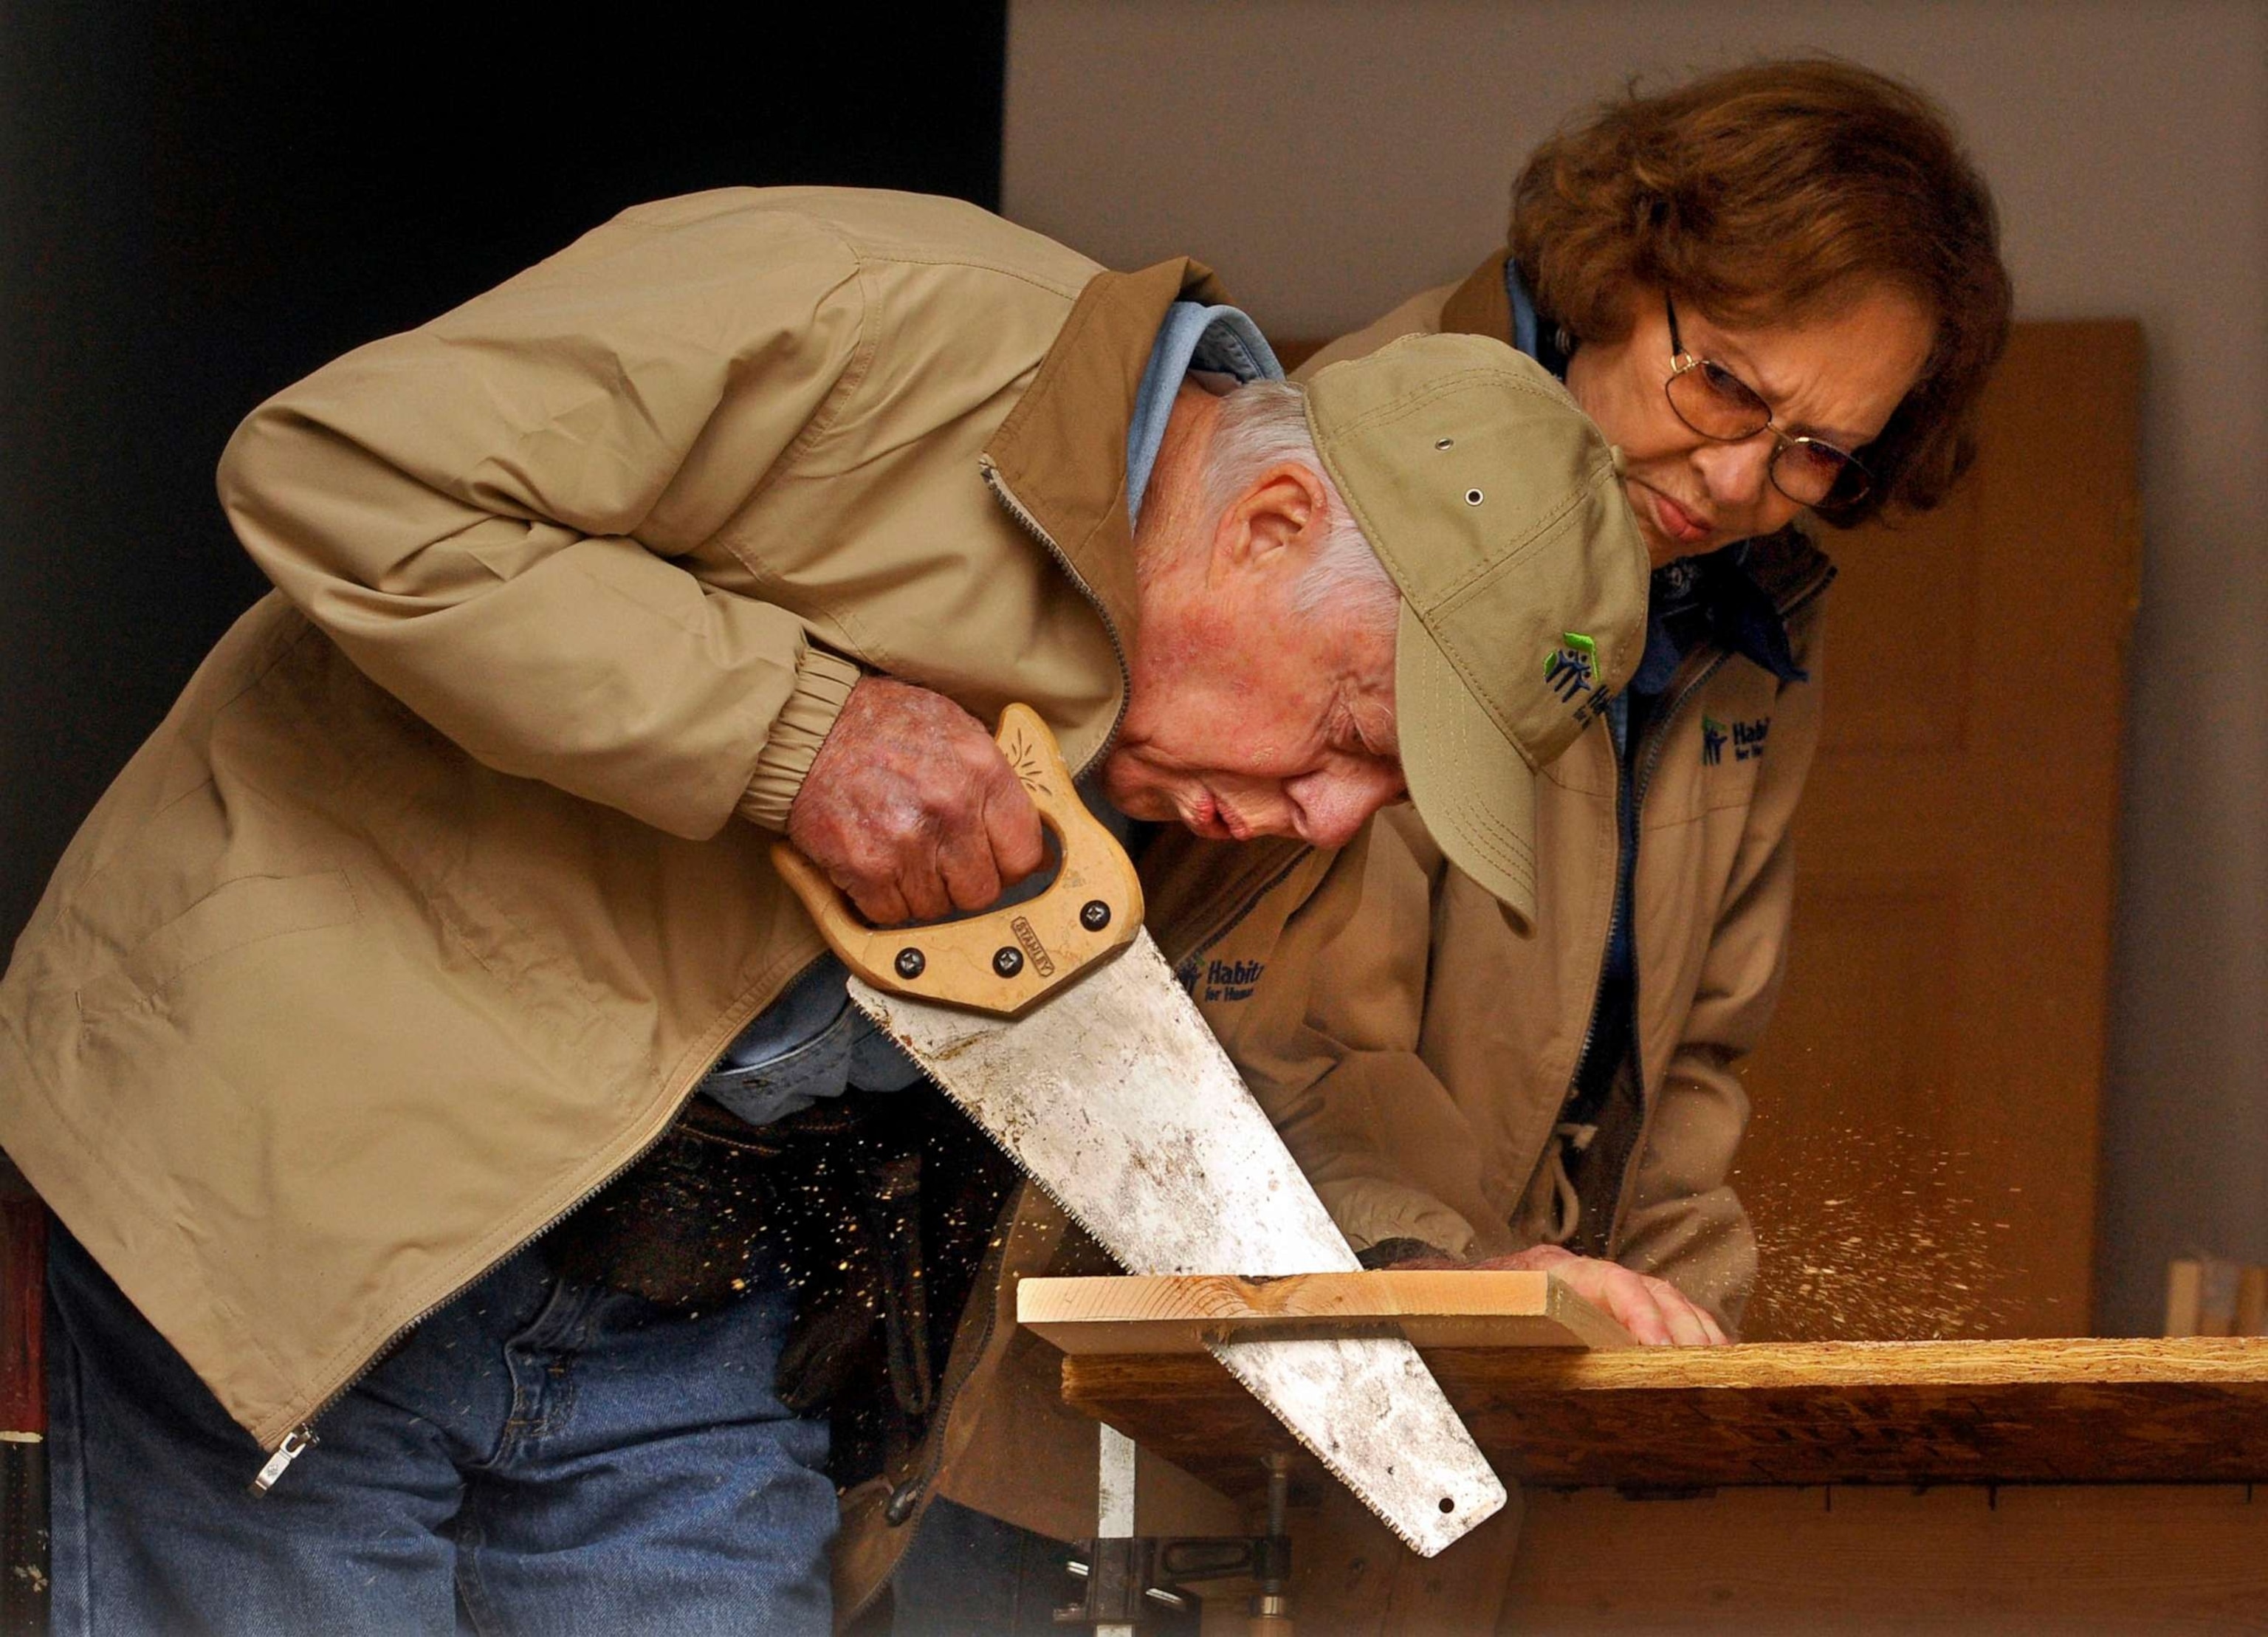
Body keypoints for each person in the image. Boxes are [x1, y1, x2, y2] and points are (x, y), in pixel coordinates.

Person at [0, 185, 1648, 1633]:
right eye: (1356, 737)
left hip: (690, 1321)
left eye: (1386, 793)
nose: (1332, 815)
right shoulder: (870, 311)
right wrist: (800, 732)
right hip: (308, 1203)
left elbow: (1238, 1071)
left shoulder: (1203, 742)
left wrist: (1451, 1268)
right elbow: (335, 471)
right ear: (1271, 522)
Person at [1268, 59, 2013, 1345]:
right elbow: (1285, 1047)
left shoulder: (1752, 588)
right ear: (1616, 272)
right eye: (1725, 384)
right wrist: (1471, 1283)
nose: (1735, 481)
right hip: (1261, 1344)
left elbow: (1691, 1067)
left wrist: (1691, 1360)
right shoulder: (1379, 476)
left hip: (1485, 1338)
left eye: (1818, 450)